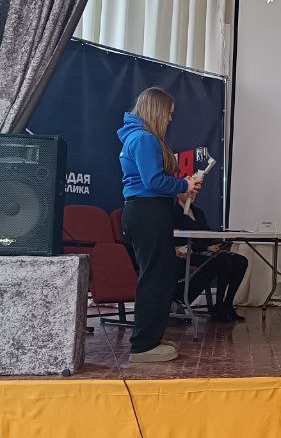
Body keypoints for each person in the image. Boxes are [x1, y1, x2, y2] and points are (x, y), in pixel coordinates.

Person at [117, 87, 201, 363]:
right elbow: (153, 181)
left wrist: (179, 189)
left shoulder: (138, 137)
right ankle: (143, 346)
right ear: (157, 110)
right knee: (155, 277)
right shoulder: (144, 139)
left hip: (146, 212)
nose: (170, 119)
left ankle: (150, 339)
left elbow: (150, 180)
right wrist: (183, 184)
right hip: (147, 213)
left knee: (159, 276)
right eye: (169, 113)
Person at [173, 186, 248, 323]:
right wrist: (207, 247)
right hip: (188, 253)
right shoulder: (173, 213)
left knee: (241, 261)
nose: (192, 194)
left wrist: (218, 244)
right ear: (178, 194)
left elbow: (206, 234)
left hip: (205, 250)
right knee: (224, 261)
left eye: (194, 192)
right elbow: (181, 241)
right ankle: (218, 305)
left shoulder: (198, 212)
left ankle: (227, 303)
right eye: (189, 191)